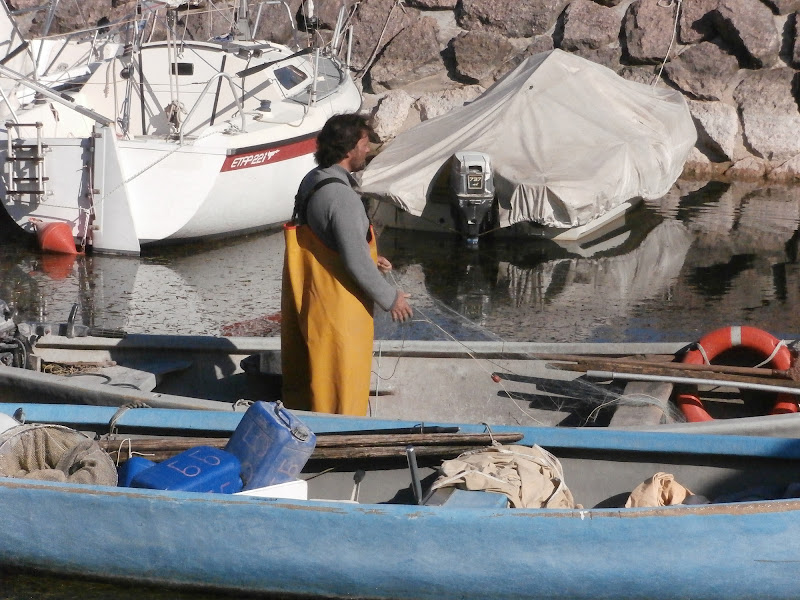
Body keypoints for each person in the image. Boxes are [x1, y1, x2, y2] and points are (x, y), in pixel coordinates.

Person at [281, 113, 413, 415]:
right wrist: (391, 298)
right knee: (342, 379)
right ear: (348, 148)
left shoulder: (314, 180)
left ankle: (308, 422)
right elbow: (354, 261)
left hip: (313, 303)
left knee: (316, 374)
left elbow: (332, 240)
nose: (368, 150)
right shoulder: (342, 197)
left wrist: (369, 256)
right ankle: (342, 433)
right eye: (365, 144)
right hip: (340, 310)